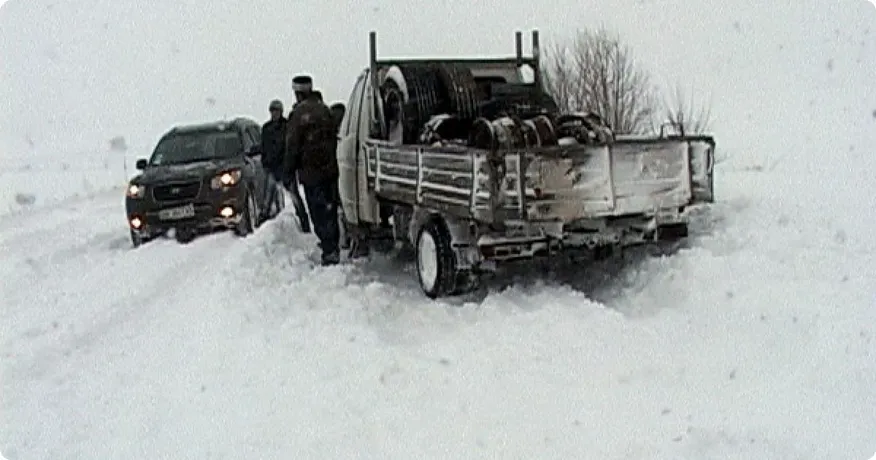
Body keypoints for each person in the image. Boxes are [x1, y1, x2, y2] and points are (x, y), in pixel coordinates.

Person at [284, 75, 341, 266]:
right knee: (330, 207)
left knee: (318, 210)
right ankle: (332, 245)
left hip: (311, 172)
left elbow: (292, 146)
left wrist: (288, 172)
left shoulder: (298, 115)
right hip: (330, 169)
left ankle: (328, 248)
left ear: (298, 92)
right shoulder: (325, 110)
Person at [261, 99, 311, 232]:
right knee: (267, 200)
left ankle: (304, 224)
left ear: (281, 112)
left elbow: (292, 146)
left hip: (286, 168)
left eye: (276, 111)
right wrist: (265, 163)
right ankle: (264, 229)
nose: (274, 114)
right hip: (272, 168)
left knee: (295, 198)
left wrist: (291, 164)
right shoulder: (266, 129)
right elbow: (264, 147)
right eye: (272, 111)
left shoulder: (287, 126)